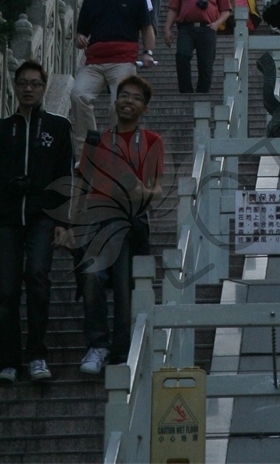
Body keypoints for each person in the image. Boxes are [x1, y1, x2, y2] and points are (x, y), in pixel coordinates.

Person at [0, 60, 75, 384]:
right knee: (6, 289)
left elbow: (65, 177)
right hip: (3, 219)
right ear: (15, 87)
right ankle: (8, 361)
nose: (29, 88)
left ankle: (37, 355)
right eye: (23, 83)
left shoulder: (58, 128)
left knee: (37, 278)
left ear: (44, 88)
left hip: (42, 218)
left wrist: (64, 221)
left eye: (35, 83)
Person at [75, 74, 166, 376]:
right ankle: (97, 344)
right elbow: (83, 185)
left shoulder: (152, 142)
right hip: (98, 220)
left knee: (126, 289)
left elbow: (156, 190)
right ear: (114, 102)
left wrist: (140, 190)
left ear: (146, 109)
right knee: (91, 277)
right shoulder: (97, 140)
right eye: (124, 95)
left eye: (137, 98)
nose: (129, 101)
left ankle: (122, 350)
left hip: (131, 223)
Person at [72, 0, 153, 149]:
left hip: (123, 60)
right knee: (78, 95)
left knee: (119, 103)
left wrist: (148, 52)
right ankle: (87, 147)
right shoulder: (91, 1)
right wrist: (80, 39)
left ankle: (118, 147)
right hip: (94, 62)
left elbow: (146, 27)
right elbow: (80, 34)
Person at [163, 0, 232, 92]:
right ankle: (185, 91)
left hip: (207, 28)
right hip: (186, 28)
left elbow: (226, 10)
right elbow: (174, 8)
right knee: (182, 56)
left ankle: (202, 94)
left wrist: (217, 24)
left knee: (206, 64)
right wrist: (167, 29)